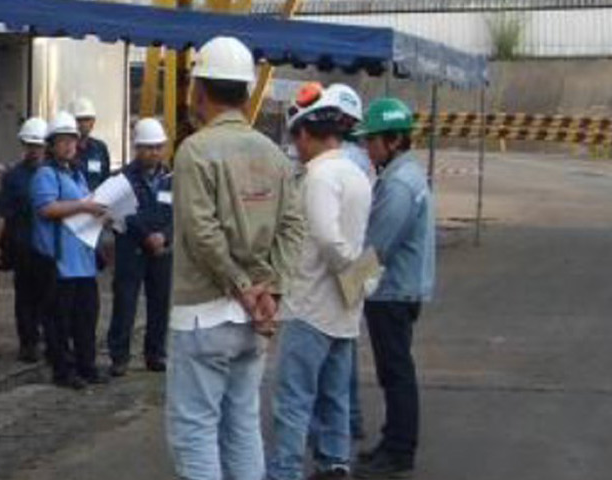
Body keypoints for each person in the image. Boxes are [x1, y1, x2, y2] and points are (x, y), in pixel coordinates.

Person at [164, 36, 306, 480]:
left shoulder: (195, 150)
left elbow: (201, 233)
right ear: (246, 92)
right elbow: (292, 227)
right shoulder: (273, 154)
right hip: (255, 318)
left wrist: (242, 288)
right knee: (242, 426)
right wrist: (271, 292)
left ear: (199, 90)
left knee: (195, 430)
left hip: (204, 313)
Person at [267, 84, 373, 480]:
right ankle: (334, 462)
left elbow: (329, 240)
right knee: (335, 396)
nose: (296, 147)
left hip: (309, 306)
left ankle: (285, 470)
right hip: (345, 310)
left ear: (307, 133)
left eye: (296, 137)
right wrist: (363, 281)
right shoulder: (358, 174)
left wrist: (350, 271)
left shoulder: (319, 177)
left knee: (294, 400)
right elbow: (360, 239)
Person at [355, 97, 435, 479]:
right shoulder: (407, 174)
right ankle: (393, 442)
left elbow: (379, 245)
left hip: (393, 290)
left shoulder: (400, 184)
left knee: (396, 371)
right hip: (401, 288)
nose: (367, 147)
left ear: (393, 140)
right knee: (395, 370)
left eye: (371, 140)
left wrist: (346, 288)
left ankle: (400, 450)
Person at [33, 112, 109, 390]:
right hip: (61, 260)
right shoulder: (46, 174)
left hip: (83, 260)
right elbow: (46, 208)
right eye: (63, 141)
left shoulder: (76, 174)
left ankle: (86, 366)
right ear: (51, 145)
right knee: (60, 321)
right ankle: (63, 370)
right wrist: (84, 206)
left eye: (72, 140)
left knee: (85, 318)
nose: (69, 146)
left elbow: (86, 204)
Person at [106, 118, 176, 377]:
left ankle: (155, 354)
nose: (154, 152)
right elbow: (122, 214)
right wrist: (147, 236)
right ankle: (119, 356)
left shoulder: (171, 179)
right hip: (131, 249)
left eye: (158, 147)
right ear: (137, 148)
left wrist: (164, 237)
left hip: (162, 251)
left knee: (160, 304)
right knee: (125, 303)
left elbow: (179, 213)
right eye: (148, 147)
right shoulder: (122, 179)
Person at [0, 117, 50, 364]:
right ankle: (28, 343)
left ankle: (50, 339)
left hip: (48, 246)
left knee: (49, 295)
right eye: (30, 145)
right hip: (23, 244)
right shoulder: (14, 177)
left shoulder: (54, 173)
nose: (34, 150)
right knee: (25, 296)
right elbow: (2, 212)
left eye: (38, 145)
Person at [71, 98, 112, 189]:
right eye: (79, 120)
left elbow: (105, 180)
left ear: (93, 122)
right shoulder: (66, 150)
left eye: (87, 119)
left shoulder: (100, 148)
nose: (83, 124)